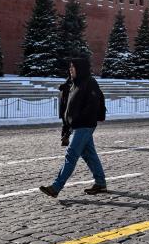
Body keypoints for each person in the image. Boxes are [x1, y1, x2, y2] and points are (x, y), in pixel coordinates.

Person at [39, 58, 107, 198]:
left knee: (71, 154)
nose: (70, 69)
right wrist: (67, 129)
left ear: (80, 68)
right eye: (69, 67)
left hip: (85, 124)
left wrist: (77, 120)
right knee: (89, 155)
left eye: (73, 67)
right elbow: (69, 108)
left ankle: (56, 187)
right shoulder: (73, 84)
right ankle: (100, 183)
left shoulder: (90, 83)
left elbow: (92, 106)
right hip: (77, 125)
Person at [58, 76, 73, 146]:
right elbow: (67, 101)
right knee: (69, 125)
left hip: (62, 110)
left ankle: (64, 140)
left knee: (64, 125)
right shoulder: (69, 88)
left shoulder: (62, 88)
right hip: (67, 110)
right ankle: (65, 138)